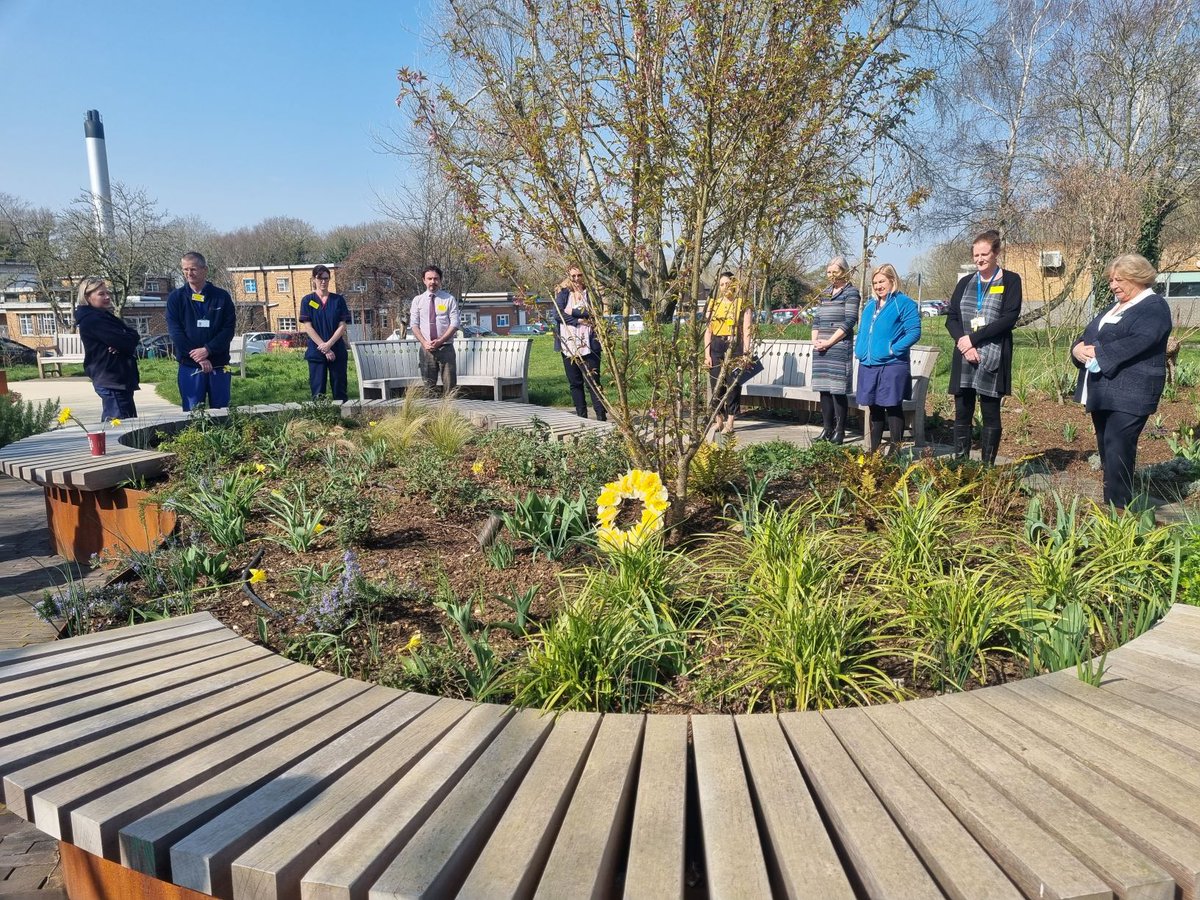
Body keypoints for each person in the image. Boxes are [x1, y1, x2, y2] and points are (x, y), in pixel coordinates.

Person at [1071, 253, 1171, 512]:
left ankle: (1120, 510)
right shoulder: (1115, 306)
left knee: (1118, 447)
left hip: (1131, 392)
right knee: (1107, 449)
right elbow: (1089, 335)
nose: (1114, 285)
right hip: (1104, 389)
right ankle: (1113, 509)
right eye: (1111, 280)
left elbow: (1141, 339)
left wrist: (1098, 353)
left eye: (1120, 279)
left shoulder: (1154, 307)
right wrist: (1077, 349)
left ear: (1138, 278)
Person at [946, 229, 1023, 464]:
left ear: (996, 253)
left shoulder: (1010, 280)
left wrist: (974, 339)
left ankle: (987, 466)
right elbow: (952, 318)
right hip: (964, 354)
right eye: (976, 255)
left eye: (984, 254)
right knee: (963, 410)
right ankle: (961, 463)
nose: (979, 259)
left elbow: (1009, 318)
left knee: (990, 411)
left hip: (993, 355)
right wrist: (965, 344)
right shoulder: (965, 283)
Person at [854, 263, 921, 453]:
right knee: (874, 407)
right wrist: (859, 350)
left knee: (892, 406)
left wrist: (893, 349)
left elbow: (914, 332)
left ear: (892, 280)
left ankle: (895, 450)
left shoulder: (904, 303)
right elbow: (862, 331)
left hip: (892, 364)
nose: (878, 286)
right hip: (868, 364)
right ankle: (873, 451)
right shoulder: (869, 306)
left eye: (882, 281)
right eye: (875, 282)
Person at [166, 252, 236, 411]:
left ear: (205, 270)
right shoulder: (176, 298)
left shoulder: (222, 297)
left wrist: (208, 350)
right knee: (193, 413)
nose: (189, 273)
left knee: (222, 412)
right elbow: (175, 332)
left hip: (219, 364)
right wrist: (198, 357)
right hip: (190, 366)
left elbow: (228, 329)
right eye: (185, 269)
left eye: (193, 269)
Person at [74, 277, 141, 420]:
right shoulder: (93, 319)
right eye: (101, 294)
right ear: (87, 297)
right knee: (121, 427)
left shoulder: (104, 315)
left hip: (118, 379)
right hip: (111, 379)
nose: (107, 297)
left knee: (122, 425)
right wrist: (123, 342)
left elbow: (133, 335)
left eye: (107, 293)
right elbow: (126, 342)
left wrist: (123, 342)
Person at [811, 256, 860, 444]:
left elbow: (849, 321)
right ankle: (827, 429)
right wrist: (816, 341)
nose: (831, 276)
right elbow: (816, 319)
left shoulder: (851, 292)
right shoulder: (824, 293)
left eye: (835, 272)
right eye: (829, 272)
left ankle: (840, 431)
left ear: (845, 272)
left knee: (837, 390)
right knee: (824, 389)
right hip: (821, 348)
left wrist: (829, 342)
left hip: (838, 347)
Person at [554, 265, 606, 420]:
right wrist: (579, 320)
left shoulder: (591, 294)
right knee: (575, 383)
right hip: (568, 346)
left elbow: (594, 313)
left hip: (589, 345)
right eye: (573, 276)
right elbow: (557, 315)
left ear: (584, 275)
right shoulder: (563, 294)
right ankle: (581, 418)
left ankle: (601, 417)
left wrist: (571, 312)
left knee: (593, 382)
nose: (576, 279)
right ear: (569, 277)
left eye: (579, 275)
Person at [705, 272, 753, 433]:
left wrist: (746, 353)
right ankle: (718, 419)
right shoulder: (713, 305)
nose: (725, 287)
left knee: (733, 384)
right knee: (716, 384)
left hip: (735, 344)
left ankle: (731, 421)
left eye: (728, 283)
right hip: (716, 345)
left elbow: (746, 330)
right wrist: (707, 354)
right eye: (722, 284)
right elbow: (708, 331)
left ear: (735, 285)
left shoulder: (742, 304)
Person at [298, 264, 351, 402]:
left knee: (340, 391)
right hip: (316, 352)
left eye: (326, 278)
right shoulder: (307, 301)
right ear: (313, 279)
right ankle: (320, 420)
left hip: (337, 351)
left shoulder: (338, 300)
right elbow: (308, 327)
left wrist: (330, 344)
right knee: (318, 392)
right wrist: (323, 346)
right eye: (320, 278)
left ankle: (343, 420)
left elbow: (342, 325)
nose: (323, 281)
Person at [408, 265, 459, 394]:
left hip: (446, 348)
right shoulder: (417, 301)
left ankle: (450, 412)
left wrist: (440, 341)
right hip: (426, 349)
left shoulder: (449, 299)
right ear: (424, 280)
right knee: (429, 389)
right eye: (429, 278)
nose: (432, 282)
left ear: (440, 280)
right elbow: (414, 324)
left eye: (436, 279)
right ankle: (431, 413)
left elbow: (455, 323)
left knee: (450, 388)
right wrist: (424, 343)